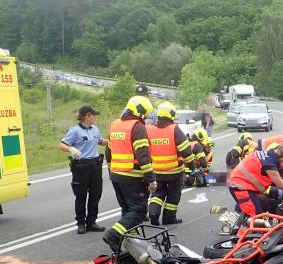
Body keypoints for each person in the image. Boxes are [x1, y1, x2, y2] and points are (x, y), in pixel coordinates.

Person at [102, 96, 156, 251]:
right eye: (145, 113)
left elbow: (108, 150)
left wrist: (112, 169)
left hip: (117, 175)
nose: (145, 117)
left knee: (127, 210)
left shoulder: (116, 125)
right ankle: (113, 235)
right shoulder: (137, 127)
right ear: (140, 111)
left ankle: (129, 242)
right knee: (138, 211)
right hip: (132, 176)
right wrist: (151, 178)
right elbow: (143, 155)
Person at [58, 105, 107, 234]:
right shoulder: (75, 131)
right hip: (81, 167)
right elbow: (61, 145)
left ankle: (91, 222)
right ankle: (81, 223)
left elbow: (100, 141)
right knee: (81, 196)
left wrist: (113, 141)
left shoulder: (95, 129)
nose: (95, 117)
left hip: (95, 166)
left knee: (95, 194)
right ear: (86, 116)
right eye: (93, 115)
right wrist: (70, 149)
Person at [147, 101, 195, 226]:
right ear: (171, 114)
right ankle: (168, 218)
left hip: (156, 171)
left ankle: (153, 212)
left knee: (157, 193)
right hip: (174, 171)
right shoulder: (175, 129)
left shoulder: (150, 130)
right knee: (173, 194)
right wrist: (193, 168)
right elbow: (186, 152)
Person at [228, 143, 283, 217]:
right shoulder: (269, 165)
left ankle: (240, 216)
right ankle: (243, 226)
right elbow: (282, 185)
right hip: (241, 188)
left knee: (258, 208)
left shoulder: (268, 154)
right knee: (255, 218)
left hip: (241, 184)